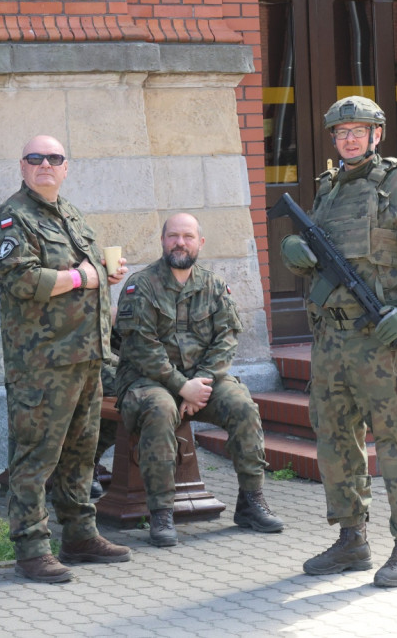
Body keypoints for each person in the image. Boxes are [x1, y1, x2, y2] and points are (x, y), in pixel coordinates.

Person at [280, 96, 397, 587]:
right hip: (331, 343)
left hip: (382, 340)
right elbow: (318, 257)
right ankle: (351, 538)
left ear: (376, 135)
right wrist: (298, 254)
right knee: (335, 443)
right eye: (341, 132)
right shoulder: (328, 191)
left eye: (359, 130)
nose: (349, 138)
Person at [0, 135, 132, 583]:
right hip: (43, 363)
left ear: (66, 167)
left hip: (86, 355)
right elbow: (21, 280)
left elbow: (86, 276)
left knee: (80, 453)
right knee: (36, 457)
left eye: (54, 158)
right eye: (35, 158)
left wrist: (105, 275)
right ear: (23, 167)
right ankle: (31, 549)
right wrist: (81, 276)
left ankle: (80, 535)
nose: (45, 164)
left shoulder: (69, 214)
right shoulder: (12, 218)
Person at [114, 213, 284, 547]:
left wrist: (201, 382)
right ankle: (161, 512)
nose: (181, 242)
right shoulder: (141, 285)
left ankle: (251, 501)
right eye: (174, 236)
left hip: (201, 380)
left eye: (188, 237)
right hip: (146, 381)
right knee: (161, 410)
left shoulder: (214, 286)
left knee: (242, 405)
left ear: (200, 243)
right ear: (163, 241)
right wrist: (181, 386)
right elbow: (142, 348)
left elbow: (227, 339)